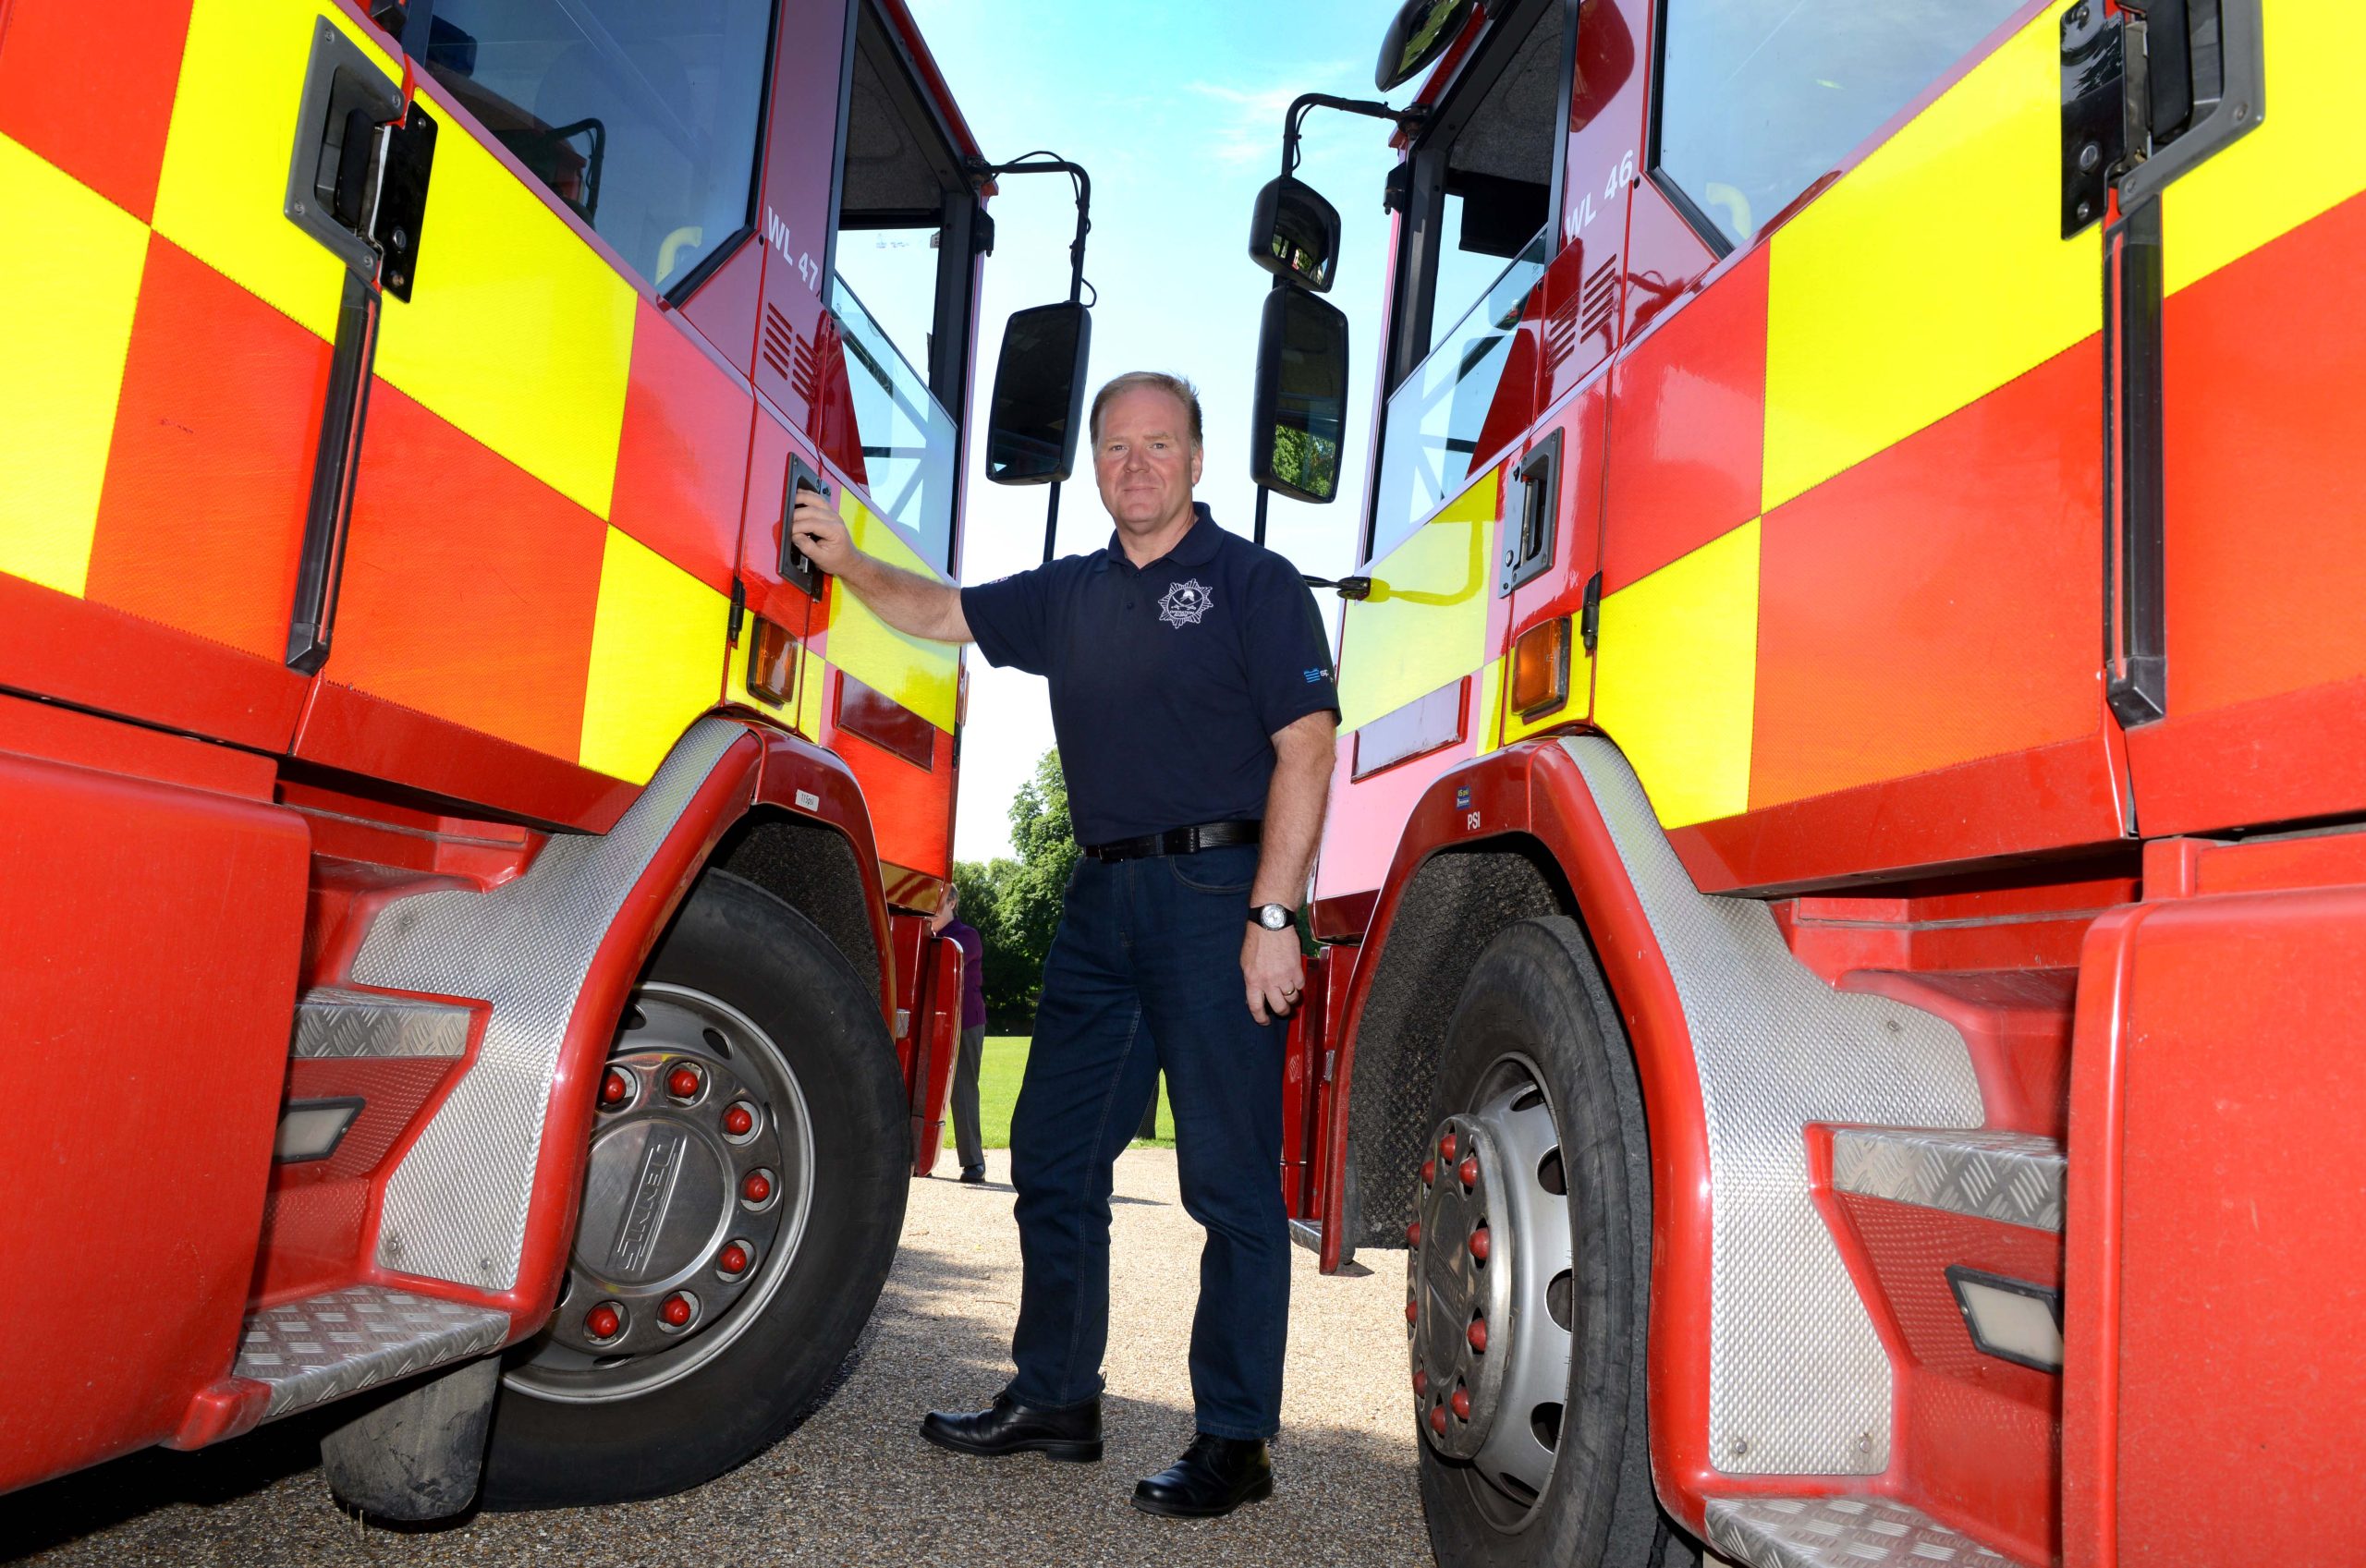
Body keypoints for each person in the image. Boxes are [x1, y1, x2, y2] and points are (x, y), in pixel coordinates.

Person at [788, 371, 1339, 1519]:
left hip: (1215, 891)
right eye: (1115, 447)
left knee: (1228, 1179)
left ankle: (1235, 1438)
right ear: (1095, 463)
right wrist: (844, 562)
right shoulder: (1069, 594)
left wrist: (1273, 915)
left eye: (1158, 444)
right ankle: (1054, 1398)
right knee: (1050, 1154)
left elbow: (1304, 748)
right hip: (1099, 900)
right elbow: (942, 610)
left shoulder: (1255, 582)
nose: (1135, 465)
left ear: (1197, 460)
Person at [931, 883, 990, 1184]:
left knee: (963, 1089)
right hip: (933, 1023)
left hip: (966, 1021)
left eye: (938, 901)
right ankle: (920, 1158)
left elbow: (947, 959)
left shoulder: (966, 936)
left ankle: (973, 1163)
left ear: (952, 902)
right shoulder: (929, 935)